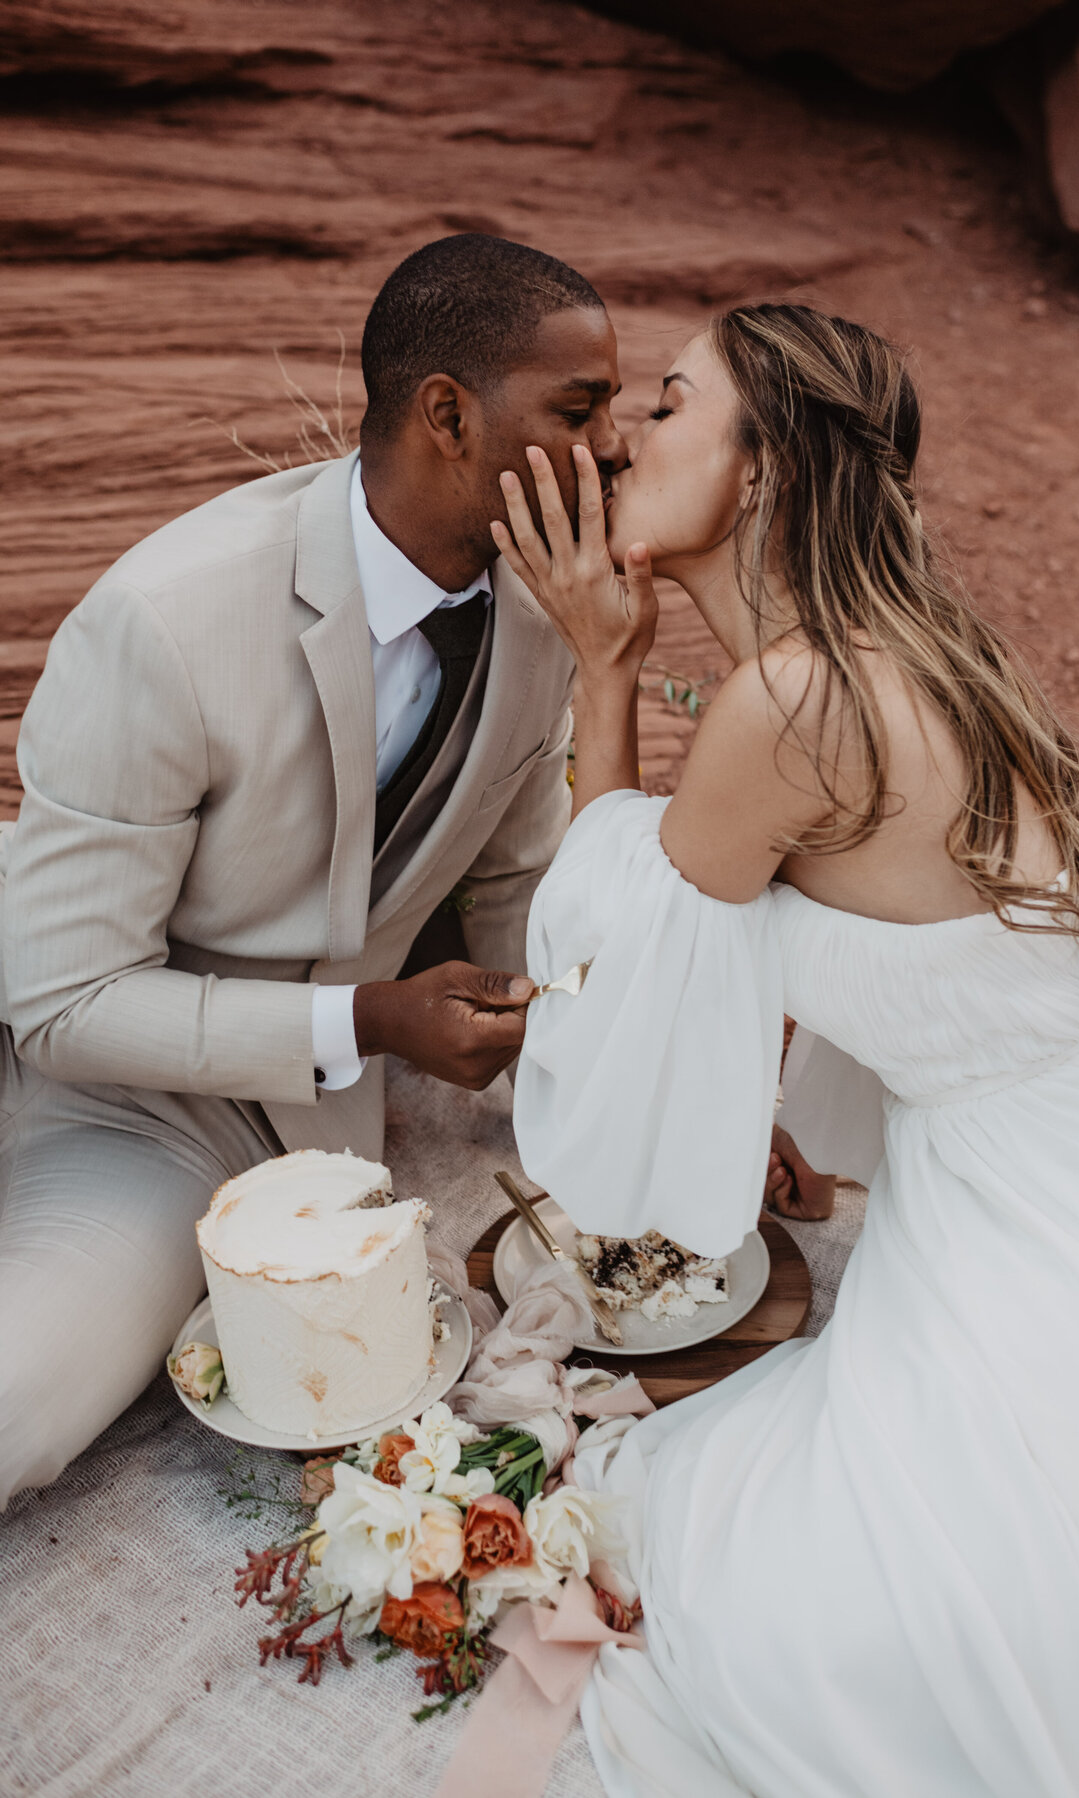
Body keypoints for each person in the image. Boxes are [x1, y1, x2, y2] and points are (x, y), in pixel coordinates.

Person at [496, 304, 1079, 1796]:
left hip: (1057, 1200)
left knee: (825, 1622)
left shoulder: (794, 699)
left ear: (762, 475)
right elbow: (830, 948)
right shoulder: (891, 652)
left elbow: (621, 979)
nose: (622, 432)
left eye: (670, 405)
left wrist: (605, 667)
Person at [0, 233, 633, 1509]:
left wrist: (651, 1099)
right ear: (446, 416)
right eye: (583, 406)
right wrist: (370, 1020)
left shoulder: (544, 613)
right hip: (93, 1066)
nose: (616, 442)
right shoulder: (165, 624)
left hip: (234, 1126)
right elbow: (61, 1006)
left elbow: (521, 891)